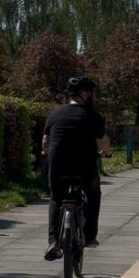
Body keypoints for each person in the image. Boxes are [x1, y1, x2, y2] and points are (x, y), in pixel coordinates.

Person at [42, 76, 111, 261]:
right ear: (83, 94)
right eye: (90, 93)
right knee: (93, 194)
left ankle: (53, 242)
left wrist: (45, 152)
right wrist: (107, 152)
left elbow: (46, 141)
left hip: (58, 166)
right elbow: (103, 141)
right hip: (84, 169)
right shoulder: (93, 116)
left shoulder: (55, 114)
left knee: (56, 198)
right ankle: (89, 237)